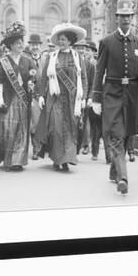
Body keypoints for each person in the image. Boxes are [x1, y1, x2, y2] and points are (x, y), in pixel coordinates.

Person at [91, 0, 138, 194]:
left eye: (129, 16)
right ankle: (122, 178)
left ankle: (113, 171)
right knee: (116, 135)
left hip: (132, 96)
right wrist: (96, 98)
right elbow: (99, 72)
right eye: (122, 16)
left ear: (132, 17)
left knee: (126, 136)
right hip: (112, 94)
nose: (126, 19)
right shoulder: (107, 42)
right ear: (116, 17)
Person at [35, 23, 87, 172]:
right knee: (56, 128)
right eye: (59, 39)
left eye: (63, 39)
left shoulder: (78, 58)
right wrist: (40, 95)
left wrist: (83, 98)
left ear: (70, 41)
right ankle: (58, 159)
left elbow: (83, 78)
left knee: (70, 128)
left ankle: (67, 159)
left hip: (72, 101)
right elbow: (43, 78)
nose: (60, 42)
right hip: (55, 99)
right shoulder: (52, 57)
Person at [0, 21, 36, 171]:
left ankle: (18, 161)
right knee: (8, 129)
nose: (21, 45)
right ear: (10, 46)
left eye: (21, 42)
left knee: (21, 129)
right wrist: (0, 98)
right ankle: (8, 161)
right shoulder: (3, 62)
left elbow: (33, 77)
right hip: (9, 99)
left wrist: (31, 83)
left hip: (22, 101)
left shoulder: (27, 60)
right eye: (17, 43)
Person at [72, 39, 95, 156]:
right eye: (78, 47)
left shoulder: (90, 65)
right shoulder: (71, 62)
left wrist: (89, 97)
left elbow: (92, 83)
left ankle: (83, 146)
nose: (81, 50)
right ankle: (72, 148)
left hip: (83, 99)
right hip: (71, 98)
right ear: (74, 48)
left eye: (83, 48)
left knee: (83, 124)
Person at [23, 33, 43, 160]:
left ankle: (39, 149)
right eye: (32, 45)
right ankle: (29, 150)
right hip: (27, 95)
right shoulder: (25, 59)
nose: (35, 47)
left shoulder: (44, 59)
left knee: (39, 122)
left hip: (41, 95)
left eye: (37, 45)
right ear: (29, 46)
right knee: (29, 123)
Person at [86, 40, 105, 162]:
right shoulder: (92, 67)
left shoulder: (102, 66)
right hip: (95, 98)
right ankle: (94, 152)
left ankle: (107, 155)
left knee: (104, 128)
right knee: (94, 128)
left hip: (105, 100)